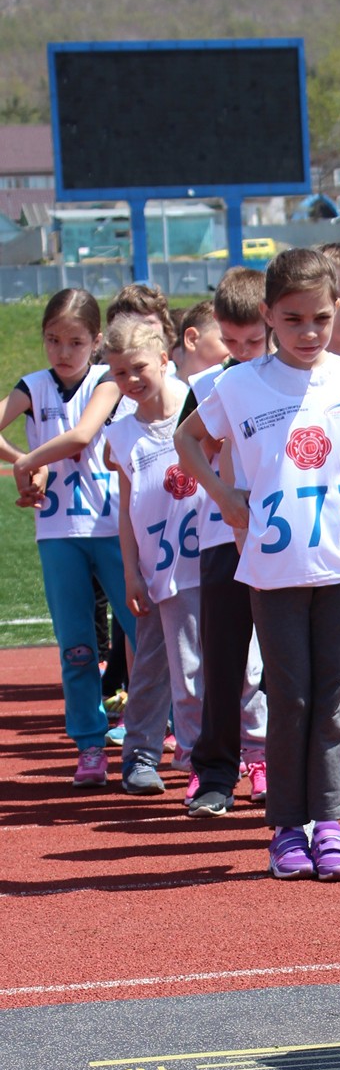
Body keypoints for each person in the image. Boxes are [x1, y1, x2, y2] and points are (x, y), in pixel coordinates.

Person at [174, 248, 340, 881]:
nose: (309, 333)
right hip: (274, 572)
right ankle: (287, 829)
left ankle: (330, 827)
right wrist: (224, 494)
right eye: (293, 320)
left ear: (338, 311)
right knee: (290, 697)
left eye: (320, 318)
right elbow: (188, 439)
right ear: (268, 316)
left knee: (335, 695)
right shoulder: (239, 384)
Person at [0, 288, 136, 787]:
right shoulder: (32, 386)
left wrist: (30, 462)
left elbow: (81, 436)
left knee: (144, 636)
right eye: (52, 340)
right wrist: (20, 459)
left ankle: (151, 736)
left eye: (75, 341)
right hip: (58, 533)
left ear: (96, 341)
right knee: (77, 646)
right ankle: (90, 744)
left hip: (113, 527)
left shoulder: (106, 379)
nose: (62, 351)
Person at [176, 271, 270, 818]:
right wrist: (222, 493)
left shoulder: (297, 378)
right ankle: (214, 773)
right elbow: (189, 445)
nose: (238, 353)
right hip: (221, 536)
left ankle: (277, 764)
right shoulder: (211, 384)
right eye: (229, 342)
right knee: (225, 658)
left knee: (286, 663)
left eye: (251, 342)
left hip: (288, 540)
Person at [104, 316, 204, 798]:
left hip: (209, 559)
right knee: (152, 666)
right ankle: (141, 755)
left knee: (214, 665)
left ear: (165, 359)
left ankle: (220, 756)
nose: (130, 381)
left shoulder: (200, 404)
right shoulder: (122, 434)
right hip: (158, 568)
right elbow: (126, 509)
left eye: (139, 367)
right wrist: (130, 572)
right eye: (119, 373)